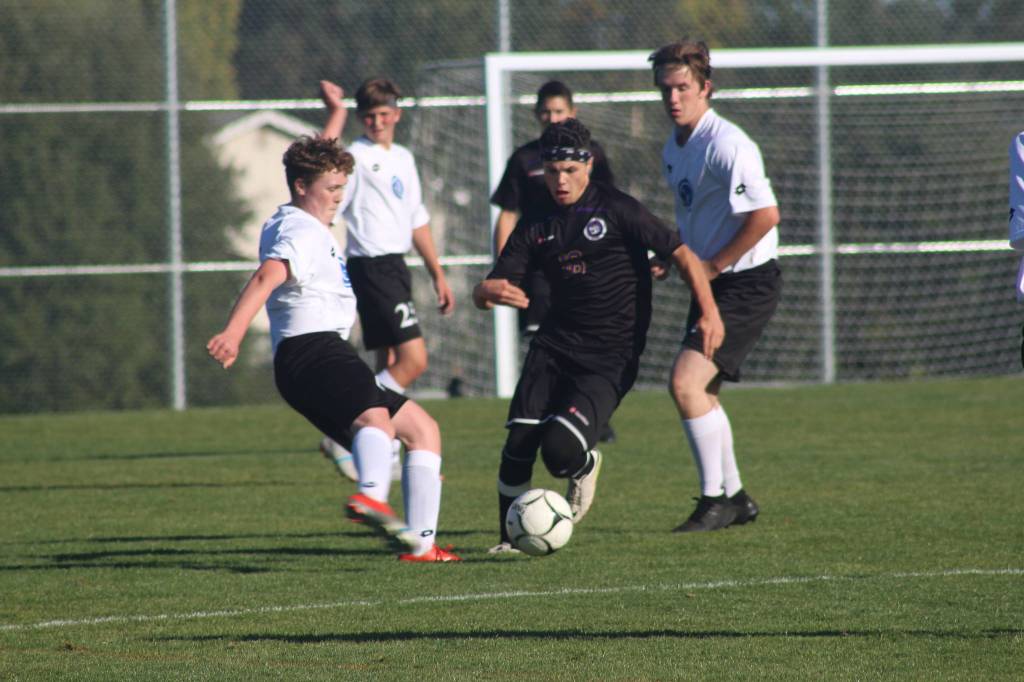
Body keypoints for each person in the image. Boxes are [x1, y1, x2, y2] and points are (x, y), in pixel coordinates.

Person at [474, 118, 724, 554]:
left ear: (588, 165)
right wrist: (484, 292)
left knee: (558, 452)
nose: (561, 181)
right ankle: (509, 541)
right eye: (553, 172)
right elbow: (491, 286)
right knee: (518, 442)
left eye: (570, 171)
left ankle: (584, 466)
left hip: (610, 355)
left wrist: (709, 312)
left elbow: (681, 252)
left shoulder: (617, 208)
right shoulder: (536, 221)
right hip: (553, 345)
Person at [206, 135, 459, 562]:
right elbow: (266, 276)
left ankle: (421, 544)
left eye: (343, 187)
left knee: (422, 429)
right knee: (375, 419)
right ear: (301, 186)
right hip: (313, 351)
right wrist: (233, 333)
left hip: (320, 354)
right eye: (331, 188)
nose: (339, 197)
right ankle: (371, 496)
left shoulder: (308, 226)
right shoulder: (299, 229)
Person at [649, 40, 782, 533]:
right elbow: (696, 217)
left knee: (685, 384)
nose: (673, 98)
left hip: (746, 282)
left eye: (683, 87)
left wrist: (713, 266)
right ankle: (737, 498)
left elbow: (765, 215)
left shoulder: (728, 144)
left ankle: (714, 502)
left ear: (705, 87)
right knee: (704, 392)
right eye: (665, 89)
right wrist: (674, 256)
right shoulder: (674, 146)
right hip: (714, 282)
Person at [315, 78, 455, 480]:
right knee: (414, 360)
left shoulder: (404, 159)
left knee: (389, 362)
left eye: (383, 114)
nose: (376, 122)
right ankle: (348, 430)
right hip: (371, 267)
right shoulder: (356, 157)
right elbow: (325, 177)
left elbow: (417, 219)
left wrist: (437, 273)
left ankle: (381, 448)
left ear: (397, 113)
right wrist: (335, 113)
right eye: (369, 116)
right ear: (361, 118)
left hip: (396, 266)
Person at [490, 80, 619, 444]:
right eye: (546, 112)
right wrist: (504, 271)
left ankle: (587, 411)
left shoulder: (592, 154)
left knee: (586, 337)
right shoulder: (524, 159)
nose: (552, 118)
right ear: (536, 115)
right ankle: (556, 413)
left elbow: (612, 205)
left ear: (572, 113)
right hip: (540, 268)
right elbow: (508, 215)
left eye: (559, 111)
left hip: (584, 265)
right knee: (544, 342)